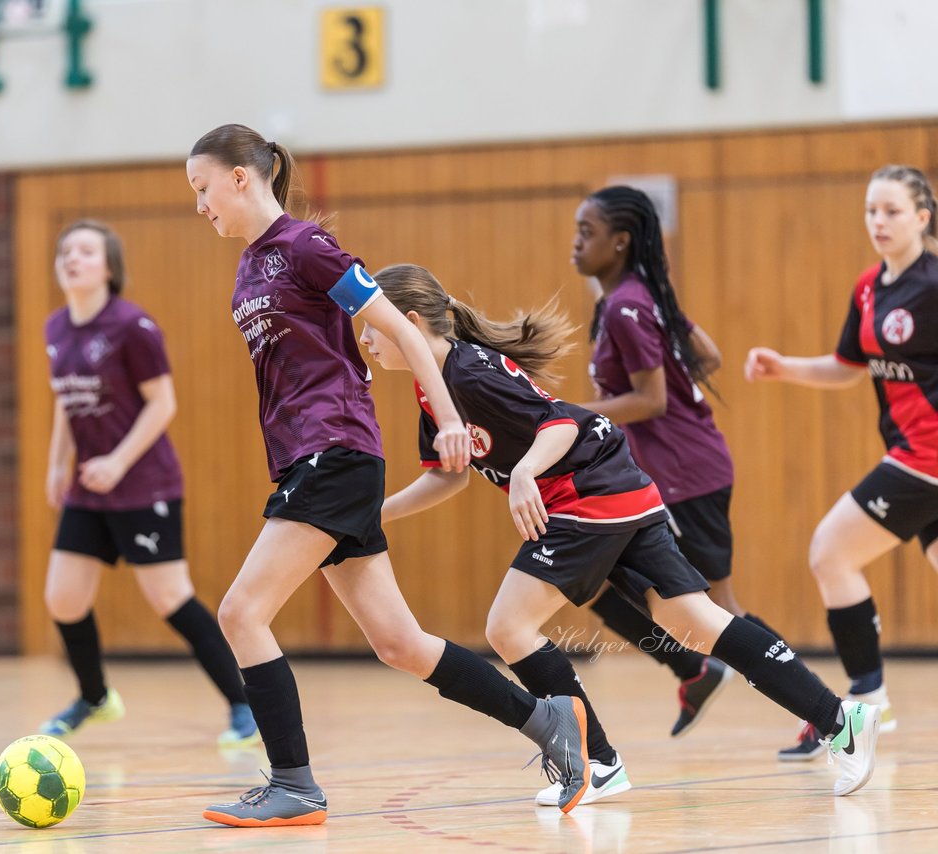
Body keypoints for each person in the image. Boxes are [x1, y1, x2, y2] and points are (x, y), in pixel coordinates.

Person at [186, 123, 596, 826]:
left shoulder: (307, 247)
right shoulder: (249, 268)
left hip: (335, 453)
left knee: (241, 612)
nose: (200, 205)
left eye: (203, 188)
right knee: (400, 645)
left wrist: (447, 419)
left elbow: (404, 331)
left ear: (241, 178)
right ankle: (547, 720)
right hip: (308, 460)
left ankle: (294, 785)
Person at [362, 261, 882, 806]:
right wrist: (378, 514)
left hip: (587, 493)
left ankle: (597, 763)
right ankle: (840, 720)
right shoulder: (436, 387)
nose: (366, 339)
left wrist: (524, 472)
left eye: (372, 325)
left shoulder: (468, 373)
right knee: (693, 622)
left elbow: (560, 424)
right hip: (617, 485)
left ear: (410, 322)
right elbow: (449, 475)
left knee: (509, 627)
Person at [571, 185, 795, 738]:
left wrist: (569, 415)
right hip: (665, 474)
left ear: (620, 242)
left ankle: (821, 712)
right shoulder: (639, 296)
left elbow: (651, 400)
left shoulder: (626, 306)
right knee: (591, 581)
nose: (575, 243)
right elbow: (708, 356)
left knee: (722, 610)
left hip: (686, 475)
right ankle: (693, 670)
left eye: (587, 232)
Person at [40, 219, 259, 748]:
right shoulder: (55, 328)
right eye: (65, 252)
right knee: (63, 599)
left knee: (170, 597)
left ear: (109, 267)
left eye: (85, 251)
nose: (72, 258)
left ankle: (243, 703)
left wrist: (117, 462)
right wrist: (57, 463)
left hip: (144, 485)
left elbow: (163, 404)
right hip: (90, 488)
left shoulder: (132, 326)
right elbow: (67, 401)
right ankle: (95, 697)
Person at [745, 164, 938, 757]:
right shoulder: (868, 287)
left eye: (892, 211)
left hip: (926, 455)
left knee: (831, 552)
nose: (879, 221)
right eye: (871, 210)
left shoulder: (935, 284)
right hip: (910, 454)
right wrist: (785, 367)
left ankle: (868, 702)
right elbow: (847, 366)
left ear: (922, 218)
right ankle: (869, 703)